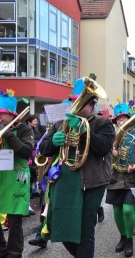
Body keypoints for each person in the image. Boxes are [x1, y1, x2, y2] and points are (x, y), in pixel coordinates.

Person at [39, 77, 115, 258]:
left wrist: (83, 130)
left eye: (80, 103)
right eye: (74, 102)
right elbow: (43, 149)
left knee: (85, 231)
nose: (75, 106)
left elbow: (104, 147)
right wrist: (53, 143)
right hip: (64, 181)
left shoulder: (103, 123)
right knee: (63, 228)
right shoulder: (59, 123)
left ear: (91, 105)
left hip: (92, 182)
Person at [0, 89, 34, 258]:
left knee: (15, 220)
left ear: (13, 115)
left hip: (15, 177)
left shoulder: (24, 130)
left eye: (3, 114)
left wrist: (7, 134)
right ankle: (0, 249)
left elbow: (26, 152)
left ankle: (14, 252)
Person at [106, 102, 135, 257]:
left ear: (129, 119)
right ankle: (123, 237)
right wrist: (111, 151)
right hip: (115, 176)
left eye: (124, 118)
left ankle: (129, 239)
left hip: (131, 176)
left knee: (128, 210)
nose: (121, 121)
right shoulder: (111, 135)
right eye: (119, 119)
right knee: (117, 210)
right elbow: (103, 153)